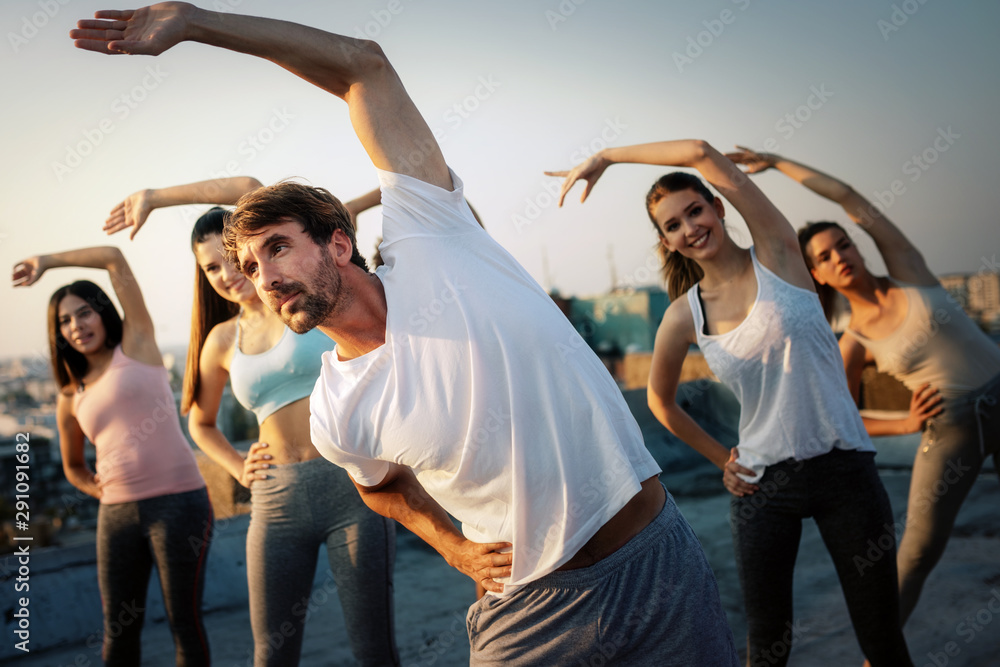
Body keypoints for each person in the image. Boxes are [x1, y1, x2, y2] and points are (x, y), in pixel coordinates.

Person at [72, 5, 740, 665]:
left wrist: (194, 23)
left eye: (276, 248)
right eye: (248, 266)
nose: (263, 276)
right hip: (529, 613)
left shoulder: (432, 237)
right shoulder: (339, 409)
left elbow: (363, 66)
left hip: (657, 567)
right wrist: (450, 545)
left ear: (339, 243)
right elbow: (377, 486)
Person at [547, 140, 915, 666]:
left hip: (846, 472)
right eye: (672, 225)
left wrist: (607, 156)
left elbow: (700, 151)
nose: (689, 227)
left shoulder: (780, 253)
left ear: (719, 208)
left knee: (882, 638)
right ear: (667, 242)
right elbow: (659, 400)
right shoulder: (683, 315)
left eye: (695, 210)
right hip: (765, 486)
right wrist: (723, 457)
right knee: (766, 647)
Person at [105, 177, 400, 667]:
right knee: (271, 653)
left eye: (230, 256)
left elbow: (251, 187)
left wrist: (155, 198)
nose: (226, 273)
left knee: (374, 649)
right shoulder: (220, 340)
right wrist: (238, 466)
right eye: (211, 268)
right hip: (275, 499)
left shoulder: (300, 299)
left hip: (353, 484)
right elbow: (200, 422)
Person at [727, 147, 1000, 627]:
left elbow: (849, 196)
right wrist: (906, 423)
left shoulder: (908, 270)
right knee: (915, 551)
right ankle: (882, 656)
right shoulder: (853, 340)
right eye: (825, 257)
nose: (840, 257)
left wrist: (777, 162)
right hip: (952, 428)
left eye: (844, 245)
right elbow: (843, 413)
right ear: (817, 273)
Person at [12, 246, 212, 666]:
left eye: (83, 312)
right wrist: (96, 487)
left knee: (185, 623)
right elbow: (73, 465)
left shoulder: (137, 343)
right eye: (64, 321)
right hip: (116, 515)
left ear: (102, 312)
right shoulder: (70, 395)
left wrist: (47, 263)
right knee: (120, 631)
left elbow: (114, 259)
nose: (76, 326)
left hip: (180, 504)